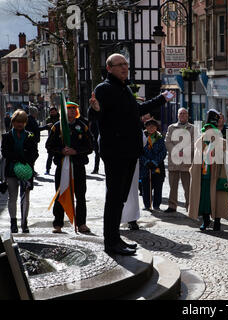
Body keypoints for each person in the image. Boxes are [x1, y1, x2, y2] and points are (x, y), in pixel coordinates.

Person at [89, 53, 174, 255]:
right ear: (109, 68)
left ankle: (116, 239)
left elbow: (137, 109)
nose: (125, 68)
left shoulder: (124, 88)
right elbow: (94, 114)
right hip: (116, 151)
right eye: (120, 65)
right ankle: (110, 242)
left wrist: (161, 99)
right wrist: (96, 109)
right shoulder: (104, 89)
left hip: (129, 151)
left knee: (121, 198)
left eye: (126, 64)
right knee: (114, 198)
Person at [46, 102, 93, 234]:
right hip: (62, 166)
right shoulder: (57, 127)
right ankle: (58, 224)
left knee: (80, 195)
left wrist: (76, 151)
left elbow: (90, 147)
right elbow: (49, 146)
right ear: (64, 112)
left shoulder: (82, 126)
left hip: (78, 165)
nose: (71, 112)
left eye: (74, 109)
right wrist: (62, 150)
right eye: (69, 109)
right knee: (60, 194)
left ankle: (81, 223)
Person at [188, 109, 228, 231]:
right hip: (203, 176)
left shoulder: (222, 143)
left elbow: (226, 162)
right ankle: (205, 220)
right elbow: (195, 160)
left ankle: (217, 221)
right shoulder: (200, 143)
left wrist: (223, 177)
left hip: (215, 176)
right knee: (204, 200)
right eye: (207, 129)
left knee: (217, 200)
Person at [1, 110, 38, 233]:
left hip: (26, 171)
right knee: (12, 197)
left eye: (22, 122)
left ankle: (24, 223)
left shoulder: (30, 135)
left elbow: (35, 153)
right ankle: (13, 223)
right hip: (11, 171)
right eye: (17, 122)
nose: (20, 124)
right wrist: (18, 158)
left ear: (25, 123)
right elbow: (5, 153)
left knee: (25, 198)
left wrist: (27, 160)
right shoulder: (6, 136)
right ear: (13, 122)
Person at [164, 108, 194, 213]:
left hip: (187, 162)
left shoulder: (193, 128)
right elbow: (167, 142)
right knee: (173, 185)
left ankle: (189, 206)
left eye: (184, 113)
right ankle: (172, 206)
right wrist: (176, 151)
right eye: (180, 113)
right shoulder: (171, 128)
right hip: (174, 161)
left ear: (188, 115)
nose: (182, 115)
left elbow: (195, 142)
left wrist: (184, 151)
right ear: (177, 115)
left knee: (188, 186)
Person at [140, 119, 167, 212]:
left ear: (156, 127)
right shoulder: (142, 137)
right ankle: (147, 205)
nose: (151, 128)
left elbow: (163, 152)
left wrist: (155, 161)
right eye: (149, 126)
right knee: (146, 186)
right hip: (145, 167)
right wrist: (146, 162)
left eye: (153, 126)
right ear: (146, 127)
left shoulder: (160, 137)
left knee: (158, 186)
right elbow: (139, 152)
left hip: (158, 166)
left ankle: (156, 205)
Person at [44, 106, 60, 175]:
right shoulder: (48, 119)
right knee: (50, 156)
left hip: (59, 139)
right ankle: (47, 170)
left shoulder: (60, 118)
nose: (52, 113)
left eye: (54, 111)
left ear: (56, 111)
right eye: (51, 112)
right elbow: (47, 127)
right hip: (51, 139)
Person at [87, 105, 100, 174]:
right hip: (96, 131)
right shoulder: (92, 108)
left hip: (96, 132)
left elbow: (89, 122)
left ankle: (96, 169)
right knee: (98, 152)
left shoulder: (91, 108)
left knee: (97, 152)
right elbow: (89, 122)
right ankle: (96, 168)